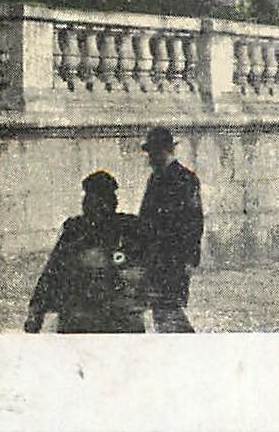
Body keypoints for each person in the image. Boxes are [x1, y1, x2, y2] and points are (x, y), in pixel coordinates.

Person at [25, 170, 149, 334]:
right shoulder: (76, 229)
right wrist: (36, 311)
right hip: (85, 315)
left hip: (113, 315)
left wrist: (36, 311)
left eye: (104, 199)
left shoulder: (127, 228)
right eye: (94, 198)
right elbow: (53, 270)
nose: (100, 205)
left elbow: (52, 271)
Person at [138, 126, 204, 332]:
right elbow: (144, 217)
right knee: (162, 310)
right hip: (156, 257)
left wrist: (190, 259)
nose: (150, 158)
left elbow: (194, 222)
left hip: (174, 257)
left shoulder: (186, 179)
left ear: (164, 151)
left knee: (169, 309)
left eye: (153, 152)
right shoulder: (155, 178)